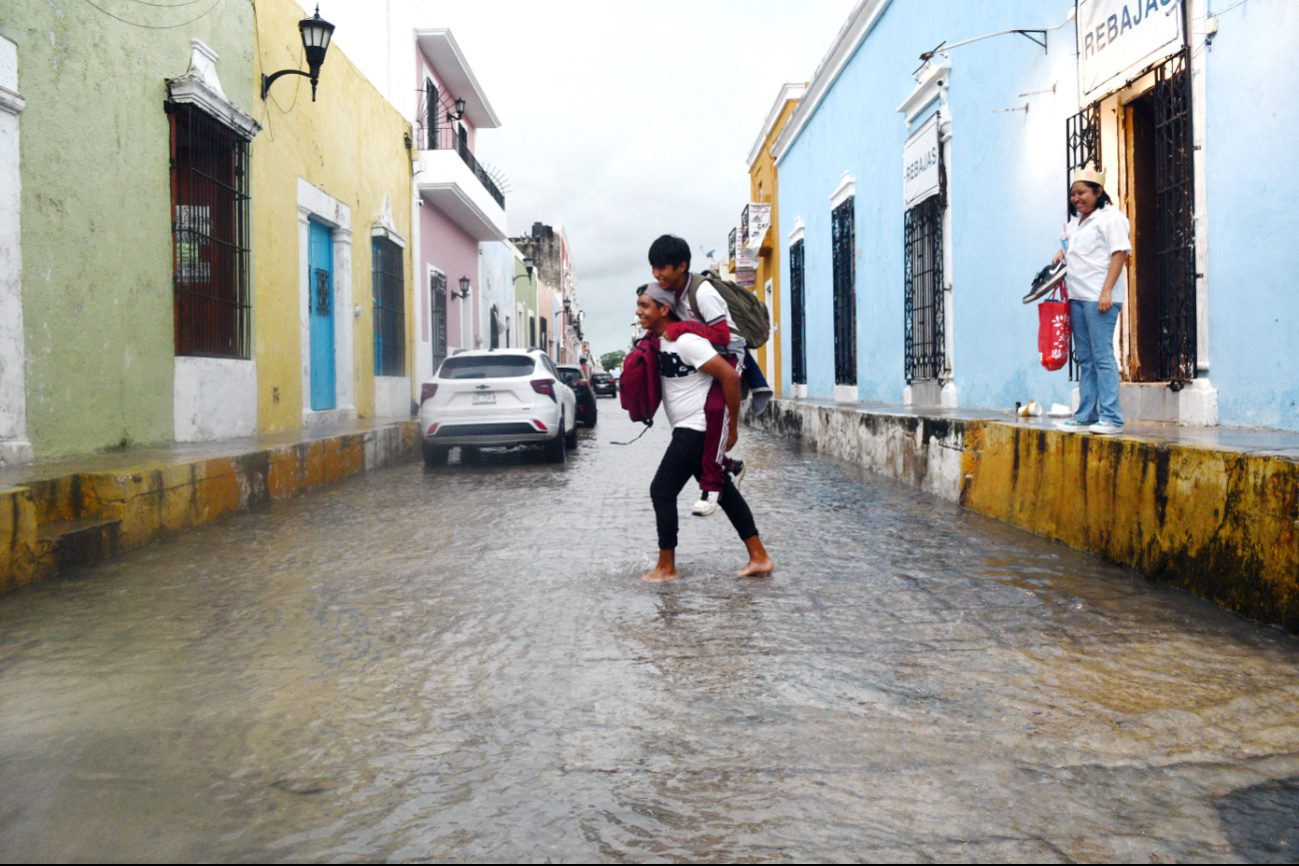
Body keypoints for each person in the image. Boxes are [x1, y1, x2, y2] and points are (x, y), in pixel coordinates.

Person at [635, 284, 773, 582]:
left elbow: (729, 378)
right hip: (686, 428)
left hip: (696, 428)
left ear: (664, 309)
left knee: (662, 490)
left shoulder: (687, 342)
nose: (638, 311)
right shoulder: (661, 342)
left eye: (645, 305)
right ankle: (759, 557)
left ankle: (666, 567)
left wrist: (732, 427)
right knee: (722, 490)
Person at [647, 235, 747, 516]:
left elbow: (724, 335)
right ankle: (728, 466)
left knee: (715, 408)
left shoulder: (702, 293)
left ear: (682, 266)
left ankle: (711, 488)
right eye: (654, 267)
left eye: (663, 267)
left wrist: (683, 329)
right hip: (707, 354)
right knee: (703, 435)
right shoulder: (673, 293)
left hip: (731, 353)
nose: (657, 274)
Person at [1054, 167, 1131, 435]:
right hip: (1078, 297)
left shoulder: (1111, 218)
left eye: (1082, 192)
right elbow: (1075, 249)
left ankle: (1111, 417)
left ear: (1098, 192)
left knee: (1101, 356)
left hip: (1100, 299)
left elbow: (1119, 254)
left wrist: (1107, 291)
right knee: (1085, 358)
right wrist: (1061, 254)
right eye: (1073, 193)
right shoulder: (1077, 223)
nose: (1076, 198)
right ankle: (1086, 415)